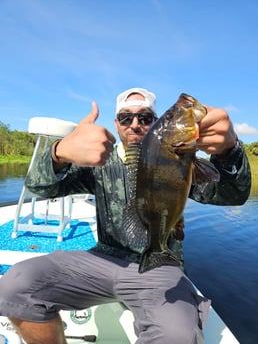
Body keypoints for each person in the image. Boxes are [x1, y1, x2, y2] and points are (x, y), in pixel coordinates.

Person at [0, 88, 251, 344]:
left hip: (161, 265)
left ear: (154, 124)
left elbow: (232, 194)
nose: (134, 125)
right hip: (103, 258)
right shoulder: (99, 161)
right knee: (14, 286)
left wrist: (230, 151)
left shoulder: (178, 160)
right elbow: (39, 187)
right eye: (125, 118)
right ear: (116, 124)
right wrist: (59, 153)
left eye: (144, 118)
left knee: (178, 336)